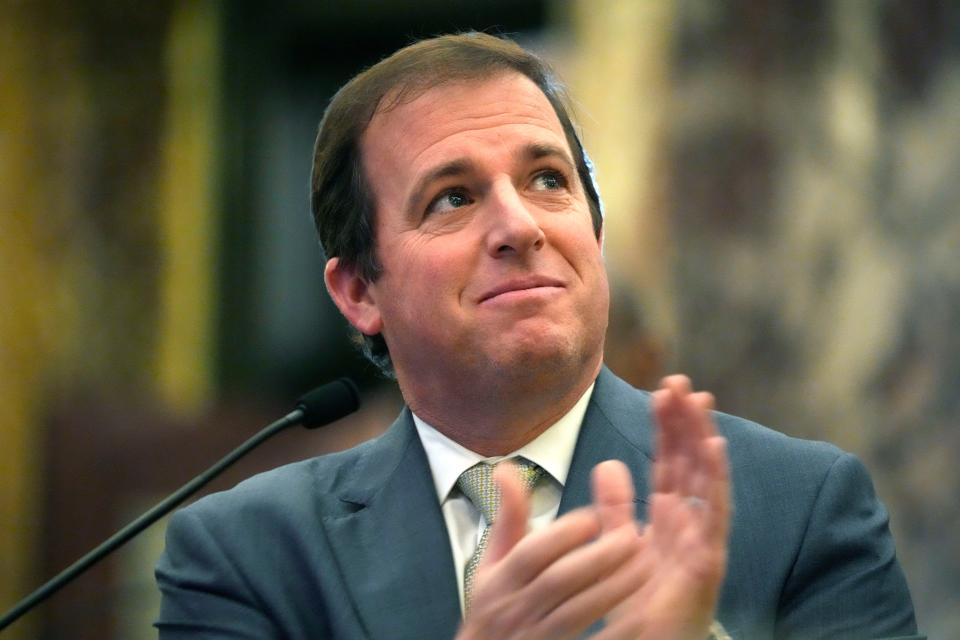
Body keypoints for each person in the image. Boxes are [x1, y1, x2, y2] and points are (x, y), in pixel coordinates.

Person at [155, 32, 921, 639]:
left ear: (594, 228)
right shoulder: (244, 554)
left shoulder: (803, 506)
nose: (519, 226)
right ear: (360, 292)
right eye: (452, 197)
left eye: (548, 180)